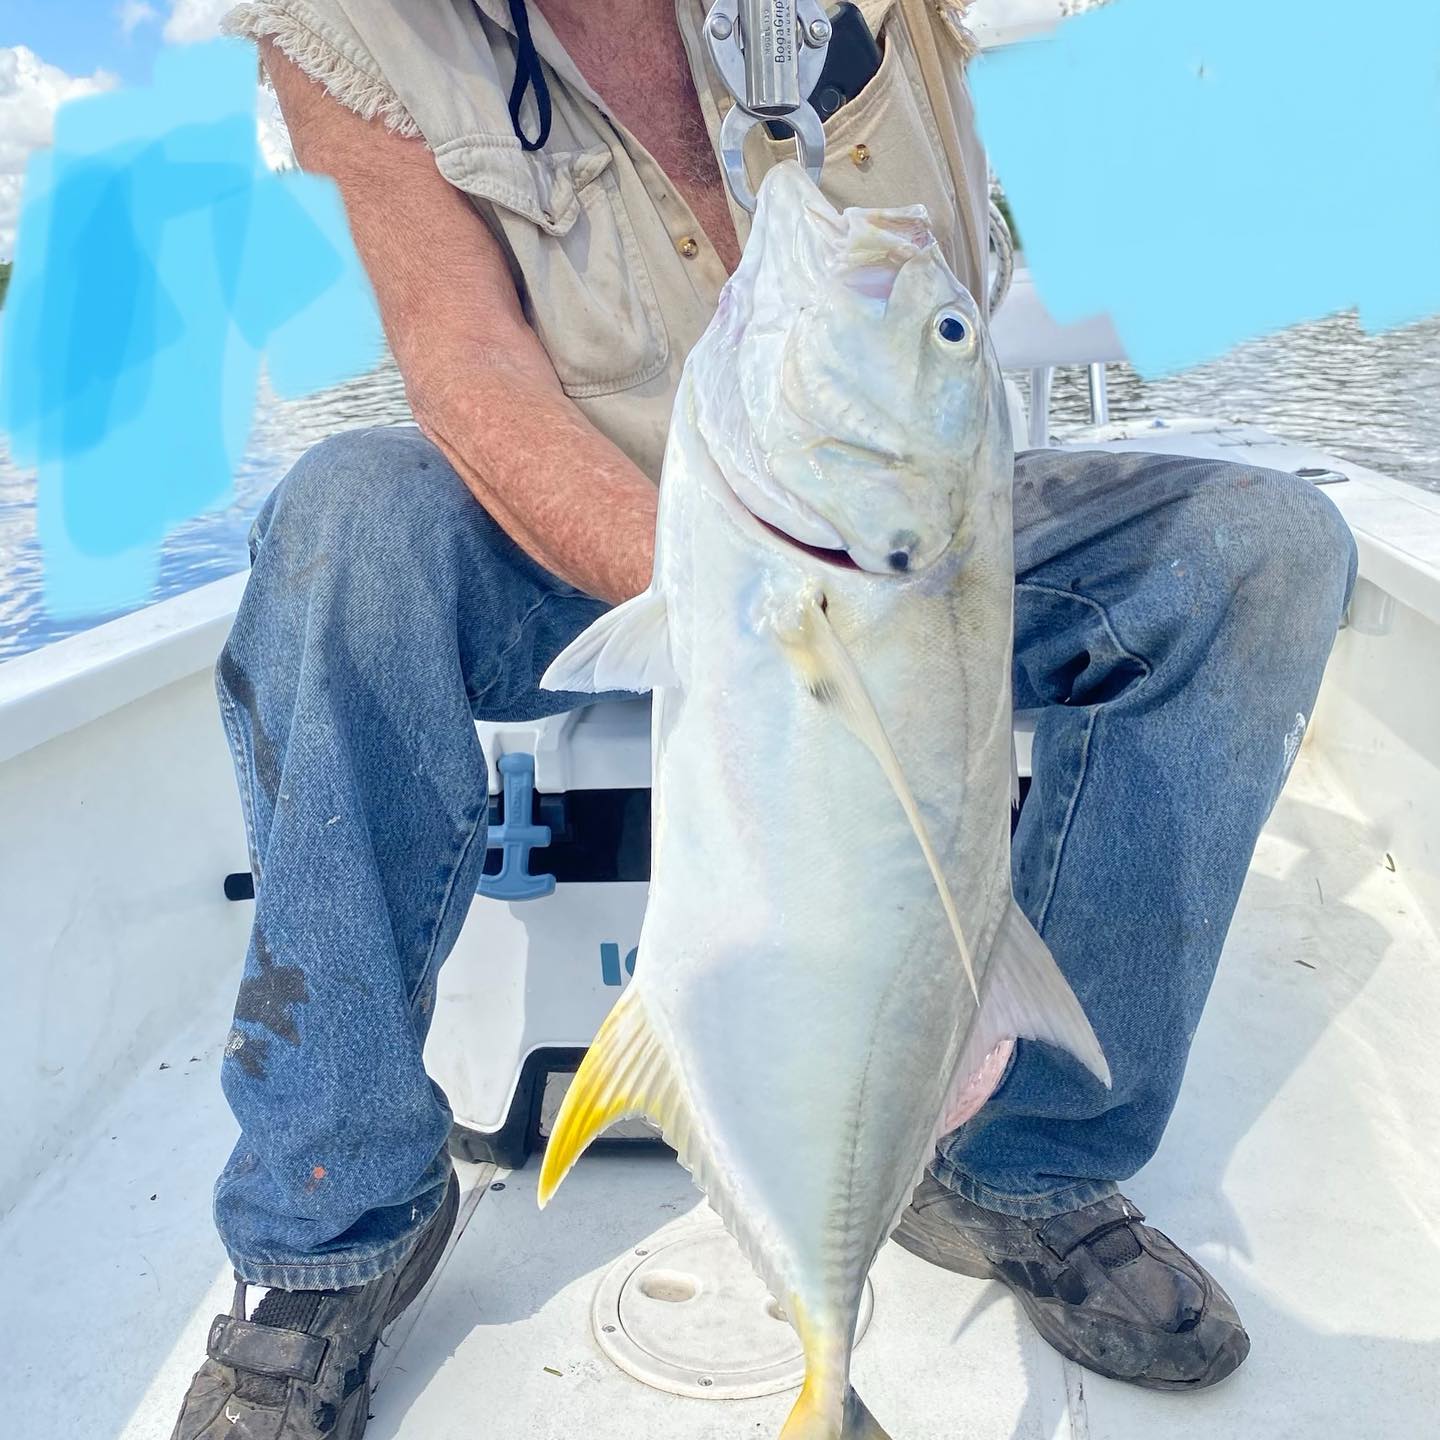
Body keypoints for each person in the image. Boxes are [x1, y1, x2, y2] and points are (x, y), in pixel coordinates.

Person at [174, 2, 1357, 1435]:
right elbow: (465, 364)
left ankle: (1024, 1166)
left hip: (920, 546)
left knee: (1262, 552)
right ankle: (331, 1228)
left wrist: (825, 594)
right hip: (608, 530)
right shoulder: (361, 32)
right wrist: (734, 582)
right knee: (345, 522)